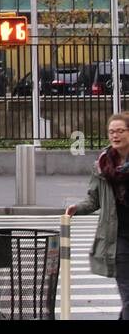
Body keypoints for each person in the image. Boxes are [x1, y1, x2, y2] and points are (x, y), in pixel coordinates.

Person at [66, 112, 129, 320]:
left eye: (120, 131)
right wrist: (78, 208)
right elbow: (94, 200)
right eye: (112, 131)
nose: (115, 135)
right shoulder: (103, 165)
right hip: (118, 238)